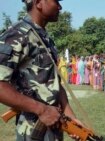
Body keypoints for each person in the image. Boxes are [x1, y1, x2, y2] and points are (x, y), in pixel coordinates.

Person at [0, 0, 81, 140]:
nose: (60, 7)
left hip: (54, 125)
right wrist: (42, 109)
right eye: (56, 1)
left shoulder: (45, 38)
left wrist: (70, 117)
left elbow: (55, 82)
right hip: (32, 128)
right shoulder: (16, 35)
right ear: (38, 2)